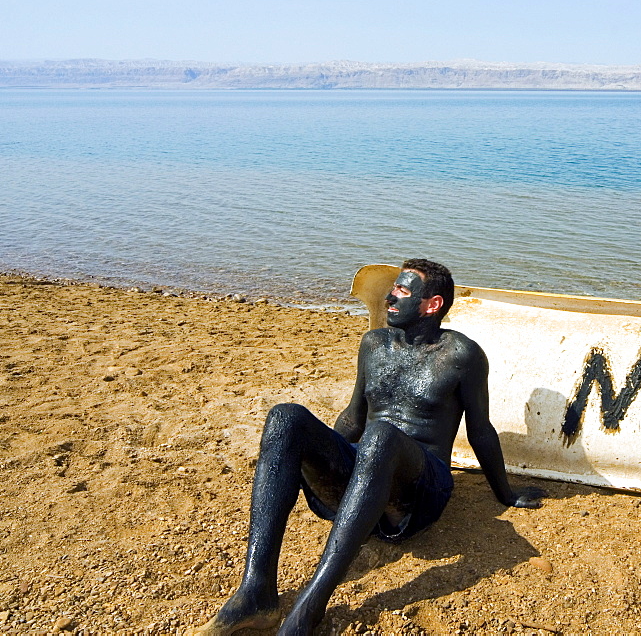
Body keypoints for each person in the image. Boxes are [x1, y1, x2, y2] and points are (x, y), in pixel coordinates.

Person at [190, 259, 544, 636]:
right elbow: (353, 418)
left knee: (382, 437)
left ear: (431, 305)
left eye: (403, 291)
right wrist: (328, 462)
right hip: (369, 478)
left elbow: (481, 431)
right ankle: (256, 591)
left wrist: (506, 495)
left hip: (421, 492)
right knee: (285, 418)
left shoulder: (462, 356)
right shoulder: (374, 344)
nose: (390, 296)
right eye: (393, 288)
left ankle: (307, 610)